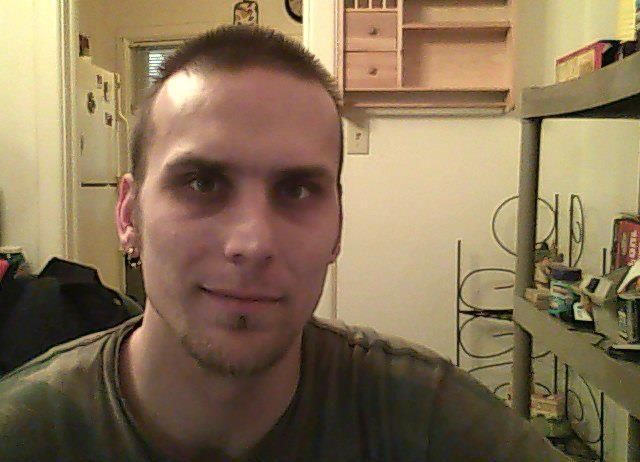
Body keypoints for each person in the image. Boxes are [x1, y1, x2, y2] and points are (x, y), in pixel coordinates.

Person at [0, 26, 569, 461]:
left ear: (337, 227)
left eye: (296, 190)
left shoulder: (428, 417)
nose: (252, 243)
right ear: (129, 214)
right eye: (202, 183)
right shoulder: (25, 430)